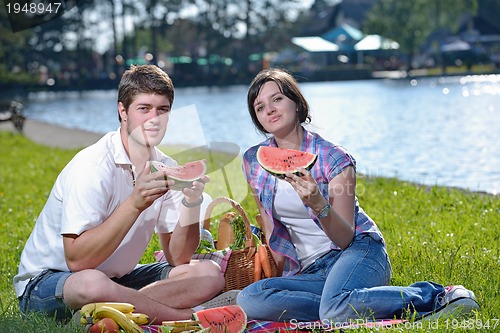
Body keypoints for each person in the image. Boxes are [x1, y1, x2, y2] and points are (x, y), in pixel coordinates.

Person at [236, 68, 479, 324]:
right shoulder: (254, 161)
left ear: (297, 103)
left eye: (277, 99)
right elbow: (271, 225)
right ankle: (352, 304)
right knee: (249, 299)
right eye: (260, 107)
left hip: (358, 253)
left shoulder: (334, 158)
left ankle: (436, 295)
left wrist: (318, 204)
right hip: (311, 273)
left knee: (332, 309)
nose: (270, 110)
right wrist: (276, 275)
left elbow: (345, 238)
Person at [13, 65, 226, 324]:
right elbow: (78, 260)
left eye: (163, 109)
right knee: (92, 284)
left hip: (118, 279)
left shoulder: (165, 166)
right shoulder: (92, 165)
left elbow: (177, 257)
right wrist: (135, 203)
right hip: (50, 282)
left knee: (208, 273)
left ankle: (108, 312)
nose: (154, 119)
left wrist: (191, 204)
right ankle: (186, 317)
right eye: (144, 108)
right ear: (123, 111)